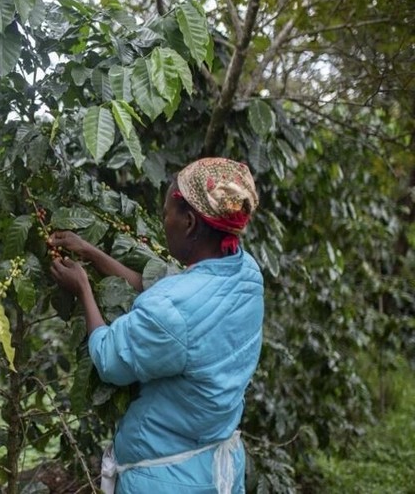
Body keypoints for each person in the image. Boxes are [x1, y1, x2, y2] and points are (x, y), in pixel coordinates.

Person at [49, 158, 264, 494]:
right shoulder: (246, 272)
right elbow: (175, 293)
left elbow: (109, 359)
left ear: (190, 222)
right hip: (217, 466)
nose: (164, 221)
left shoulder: (172, 312)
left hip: (166, 478)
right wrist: (92, 254)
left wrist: (83, 291)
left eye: (167, 213)